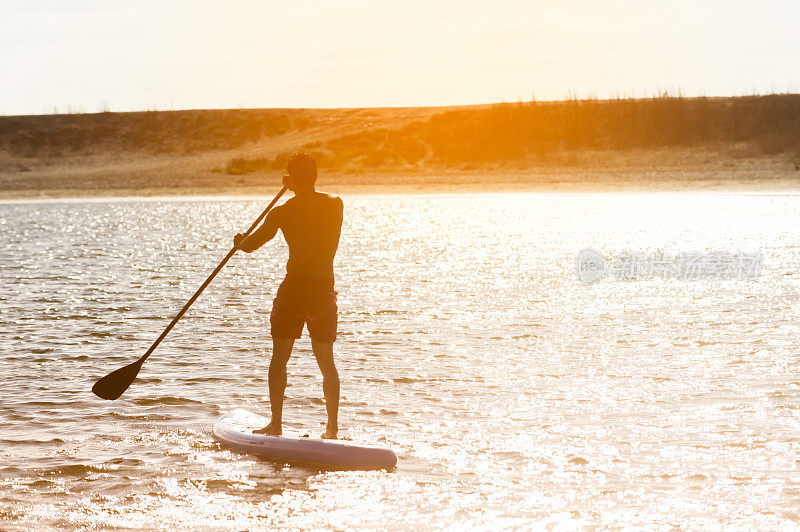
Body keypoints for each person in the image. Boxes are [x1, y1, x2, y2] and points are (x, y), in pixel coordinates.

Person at [233, 152, 344, 439]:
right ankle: (332, 429)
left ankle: (276, 424)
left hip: (294, 291)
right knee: (327, 362)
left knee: (280, 358)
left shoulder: (281, 212)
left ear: (292, 179)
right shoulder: (335, 204)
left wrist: (239, 241)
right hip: (323, 292)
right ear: (316, 176)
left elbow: (250, 245)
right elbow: (309, 196)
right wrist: (297, 183)